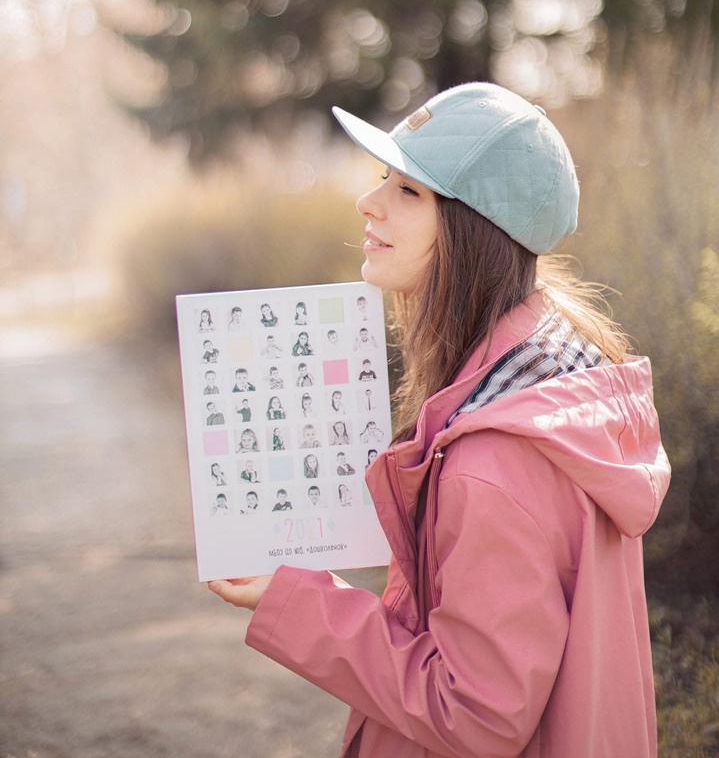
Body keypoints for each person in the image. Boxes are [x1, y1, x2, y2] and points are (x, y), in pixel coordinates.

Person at [209, 82, 671, 758]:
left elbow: (476, 714)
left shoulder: (494, 460)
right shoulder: (556, 377)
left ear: (471, 229)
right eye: (382, 179)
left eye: (408, 192)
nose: (368, 203)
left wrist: (300, 603)